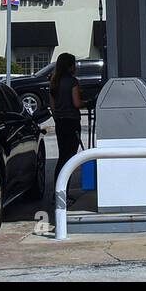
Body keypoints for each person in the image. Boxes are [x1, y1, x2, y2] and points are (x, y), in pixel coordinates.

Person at [48, 53, 82, 198]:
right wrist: (87, 102)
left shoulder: (54, 82)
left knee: (62, 157)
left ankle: (58, 192)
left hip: (60, 123)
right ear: (70, 66)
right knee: (70, 158)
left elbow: (53, 107)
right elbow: (76, 103)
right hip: (72, 122)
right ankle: (64, 194)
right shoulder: (72, 82)